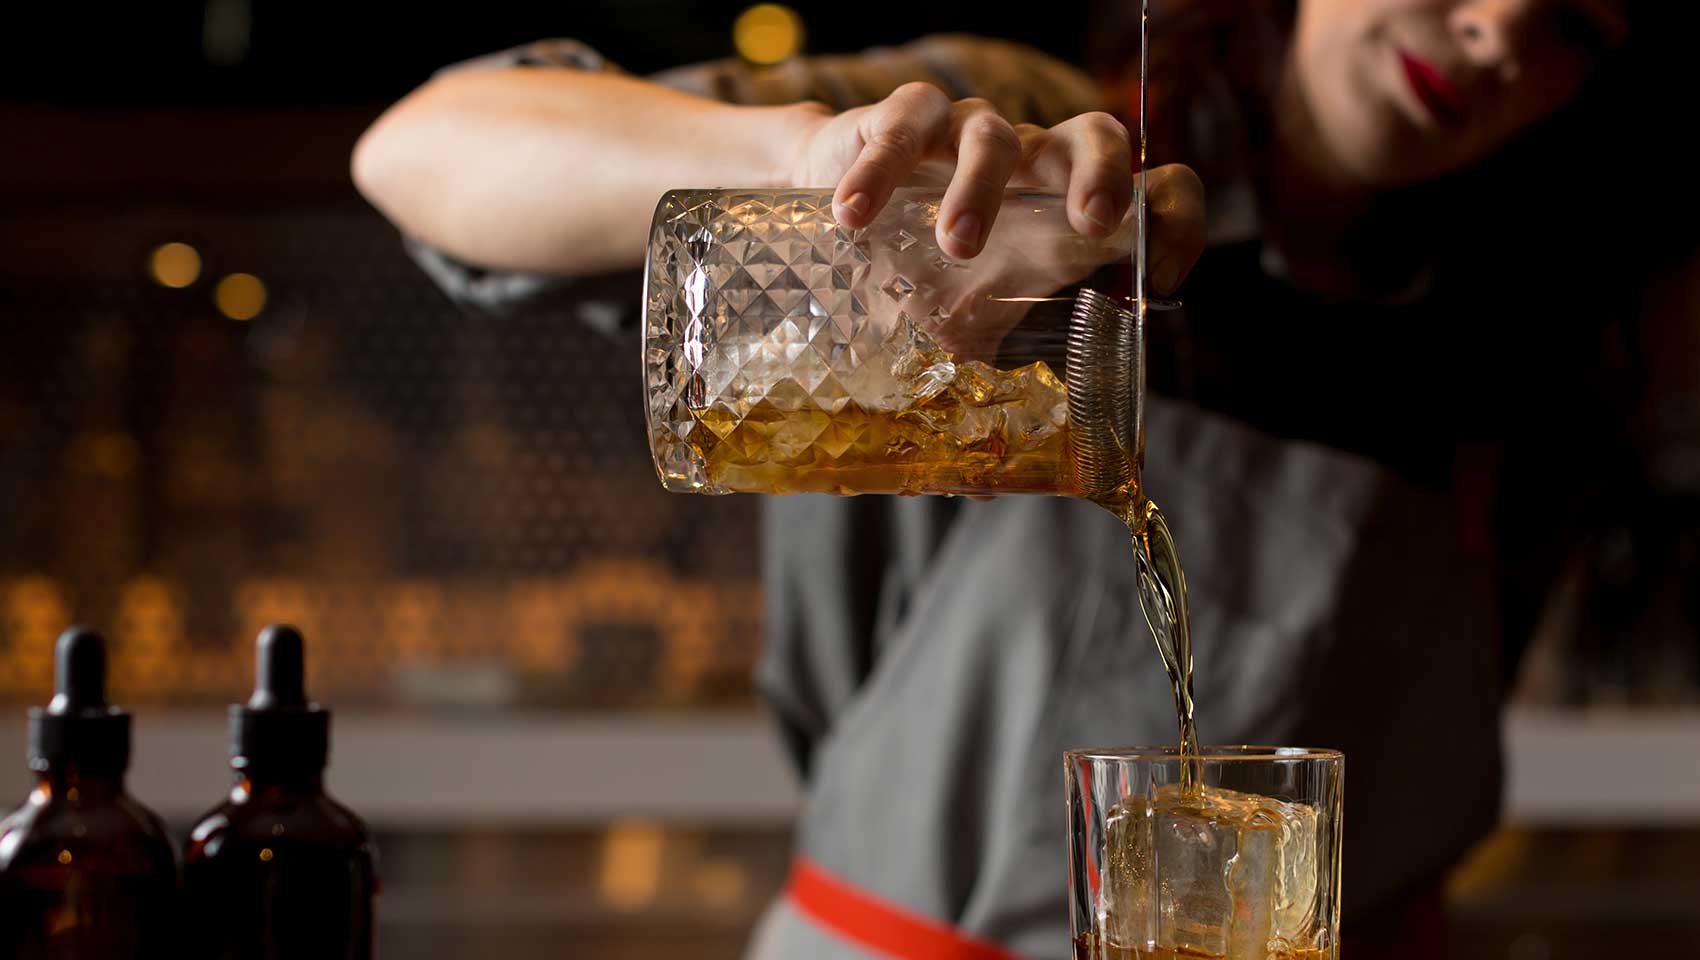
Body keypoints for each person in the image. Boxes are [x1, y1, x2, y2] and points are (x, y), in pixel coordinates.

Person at [352, 1, 1677, 956]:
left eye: (1574, 26)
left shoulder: (1524, 358)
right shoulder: (1028, 141)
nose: (1504, 28)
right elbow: (423, 149)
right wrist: (810, 167)